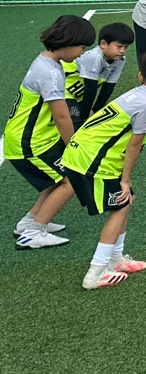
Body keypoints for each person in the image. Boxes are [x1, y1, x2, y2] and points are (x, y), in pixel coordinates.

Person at [60, 48, 146, 289]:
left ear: (140, 75)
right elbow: (134, 145)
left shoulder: (136, 94)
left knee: (127, 201)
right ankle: (95, 273)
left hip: (81, 153)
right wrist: (125, 179)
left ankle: (115, 258)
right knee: (121, 205)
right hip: (91, 161)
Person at [7, 14, 95, 247]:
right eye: (82, 47)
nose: (82, 53)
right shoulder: (51, 73)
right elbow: (61, 115)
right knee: (70, 180)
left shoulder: (47, 64)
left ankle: (29, 223)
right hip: (29, 142)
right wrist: (73, 146)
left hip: (34, 138)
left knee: (56, 181)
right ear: (67, 42)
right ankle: (33, 233)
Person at [67, 22, 134, 123]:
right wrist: (85, 115)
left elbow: (108, 88)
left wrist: (95, 111)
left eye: (126, 47)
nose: (122, 51)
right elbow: (90, 89)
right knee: (75, 123)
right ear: (103, 44)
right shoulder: (94, 57)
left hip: (77, 95)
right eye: (119, 46)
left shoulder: (120, 60)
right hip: (64, 93)